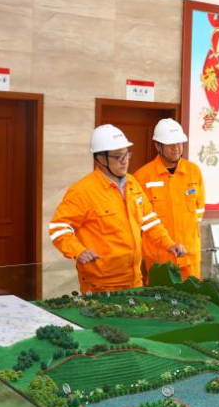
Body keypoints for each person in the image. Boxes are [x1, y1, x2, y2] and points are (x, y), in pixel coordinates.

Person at [49, 124, 186, 293]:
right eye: (118, 156)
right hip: (101, 285)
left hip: (134, 280)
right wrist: (78, 250)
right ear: (100, 158)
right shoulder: (82, 191)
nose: (125, 160)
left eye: (127, 154)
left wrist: (169, 244)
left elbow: (150, 221)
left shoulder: (132, 183)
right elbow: (58, 228)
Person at [133, 118, 205, 280]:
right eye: (170, 144)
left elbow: (199, 211)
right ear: (157, 146)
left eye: (179, 143)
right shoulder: (142, 177)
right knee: (161, 295)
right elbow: (141, 219)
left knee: (193, 295)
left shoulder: (194, 172)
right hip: (159, 258)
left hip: (189, 255)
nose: (176, 148)